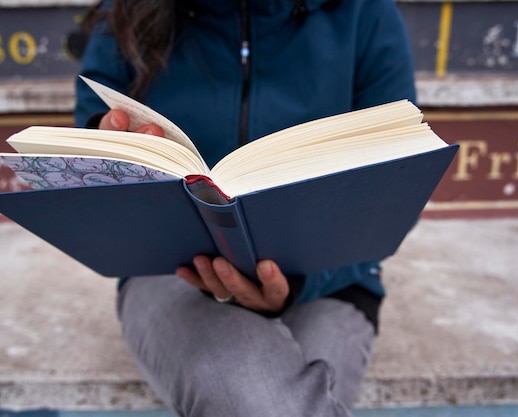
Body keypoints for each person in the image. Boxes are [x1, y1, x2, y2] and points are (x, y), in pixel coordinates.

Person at [74, 1, 416, 416]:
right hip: (169, 272)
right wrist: (108, 148)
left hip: (332, 282)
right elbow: (88, 155)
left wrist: (299, 286)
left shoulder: (365, 12)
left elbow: (393, 187)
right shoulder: (127, 13)